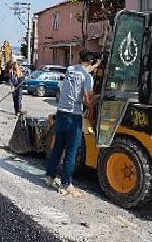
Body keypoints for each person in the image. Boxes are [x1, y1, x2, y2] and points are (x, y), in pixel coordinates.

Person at [45, 50, 100, 197]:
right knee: (71, 151)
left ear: (79, 58)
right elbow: (88, 101)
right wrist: (99, 97)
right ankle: (65, 185)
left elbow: (82, 70)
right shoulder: (87, 78)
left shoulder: (70, 70)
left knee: (58, 147)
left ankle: (50, 177)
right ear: (91, 62)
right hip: (73, 116)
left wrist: (95, 66)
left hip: (61, 113)